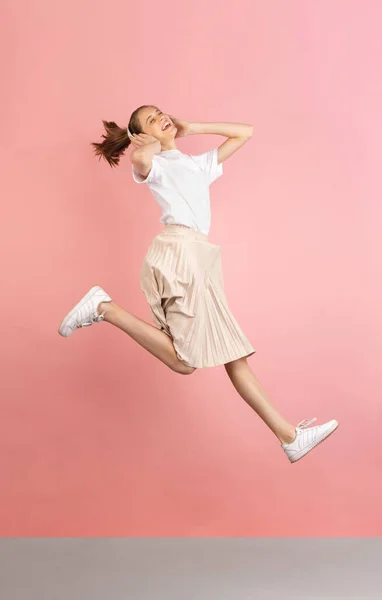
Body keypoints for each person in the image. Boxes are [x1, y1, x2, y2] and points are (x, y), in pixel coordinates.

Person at [58, 105, 339, 464]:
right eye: (151, 119)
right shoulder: (155, 164)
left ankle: (289, 438)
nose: (161, 116)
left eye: (161, 111)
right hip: (180, 255)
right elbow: (140, 159)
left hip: (199, 259)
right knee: (186, 362)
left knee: (232, 355)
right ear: (142, 135)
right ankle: (104, 308)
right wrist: (142, 141)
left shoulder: (194, 165)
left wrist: (191, 128)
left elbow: (245, 132)